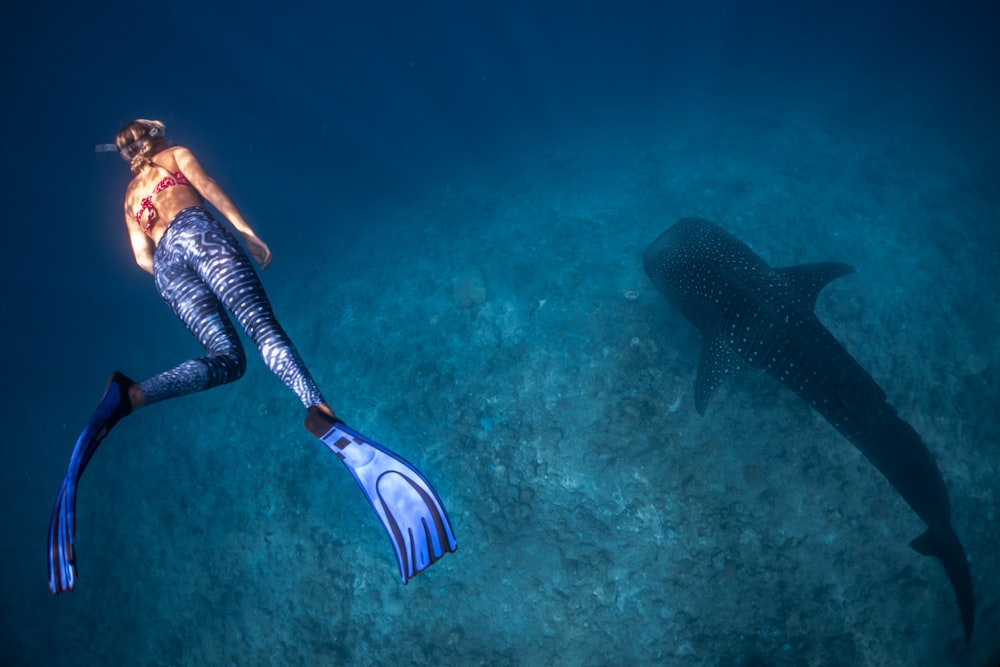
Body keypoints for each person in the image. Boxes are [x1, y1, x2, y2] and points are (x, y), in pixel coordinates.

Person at [47, 119, 456, 594]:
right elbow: (208, 188)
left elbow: (142, 258)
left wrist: (171, 255)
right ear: (152, 137)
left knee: (226, 359)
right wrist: (244, 232)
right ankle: (317, 407)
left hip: (167, 270)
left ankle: (132, 395)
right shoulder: (174, 156)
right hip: (197, 232)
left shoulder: (127, 200)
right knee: (262, 329)